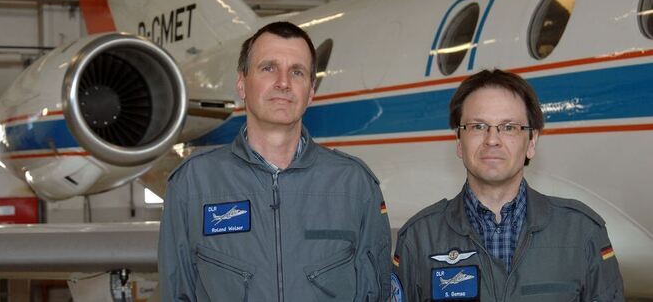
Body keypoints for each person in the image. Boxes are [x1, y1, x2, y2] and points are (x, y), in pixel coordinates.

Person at [159, 21, 391, 301]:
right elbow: (177, 292)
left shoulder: (355, 185)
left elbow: (376, 292)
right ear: (242, 84)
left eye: (297, 71)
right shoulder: (193, 184)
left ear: (311, 92)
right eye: (268, 68)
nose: (283, 82)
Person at [392, 69, 624, 301]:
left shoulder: (582, 232)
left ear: (532, 142)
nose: (492, 140)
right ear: (459, 142)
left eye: (509, 127)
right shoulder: (418, 239)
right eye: (478, 126)